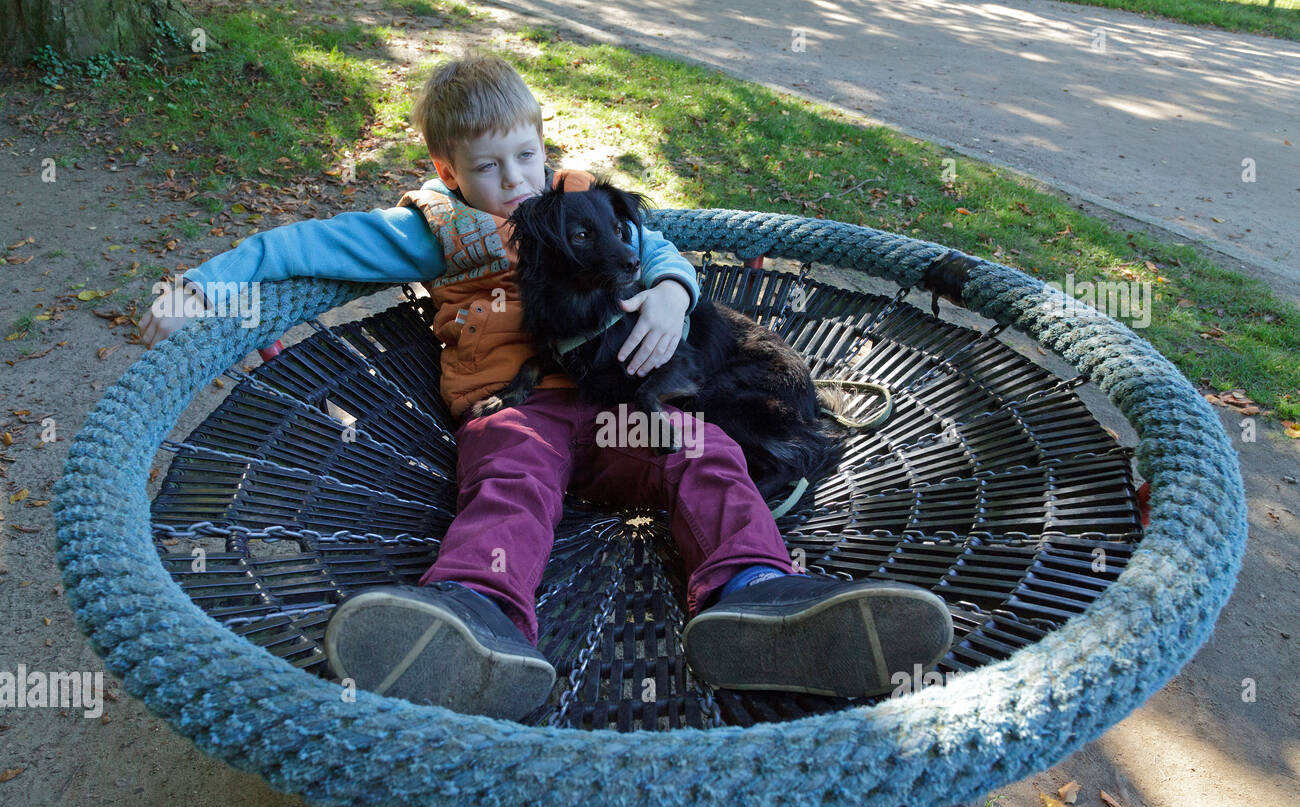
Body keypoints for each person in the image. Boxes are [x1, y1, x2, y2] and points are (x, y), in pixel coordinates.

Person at [141, 53, 954, 721]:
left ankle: (759, 593)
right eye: (489, 168)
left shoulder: (576, 206)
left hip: (612, 411)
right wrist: (202, 287)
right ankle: (473, 616)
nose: (516, 180)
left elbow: (656, 250)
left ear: (543, 143)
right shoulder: (439, 232)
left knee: (696, 447)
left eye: (526, 156)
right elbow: (304, 245)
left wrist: (672, 296)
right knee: (510, 485)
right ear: (447, 170)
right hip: (517, 411)